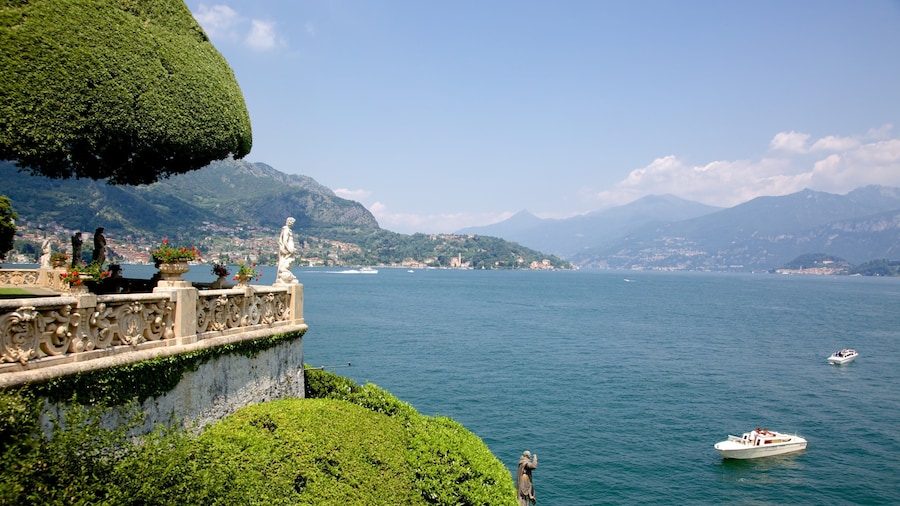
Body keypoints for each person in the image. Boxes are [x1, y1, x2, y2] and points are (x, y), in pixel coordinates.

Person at [275, 217, 298, 284]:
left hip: (289, 250)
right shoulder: (286, 230)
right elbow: (285, 241)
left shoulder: (287, 230)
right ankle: (285, 277)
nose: (293, 224)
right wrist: (289, 249)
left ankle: (287, 276)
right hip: (288, 250)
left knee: (288, 263)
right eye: (293, 222)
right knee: (286, 263)